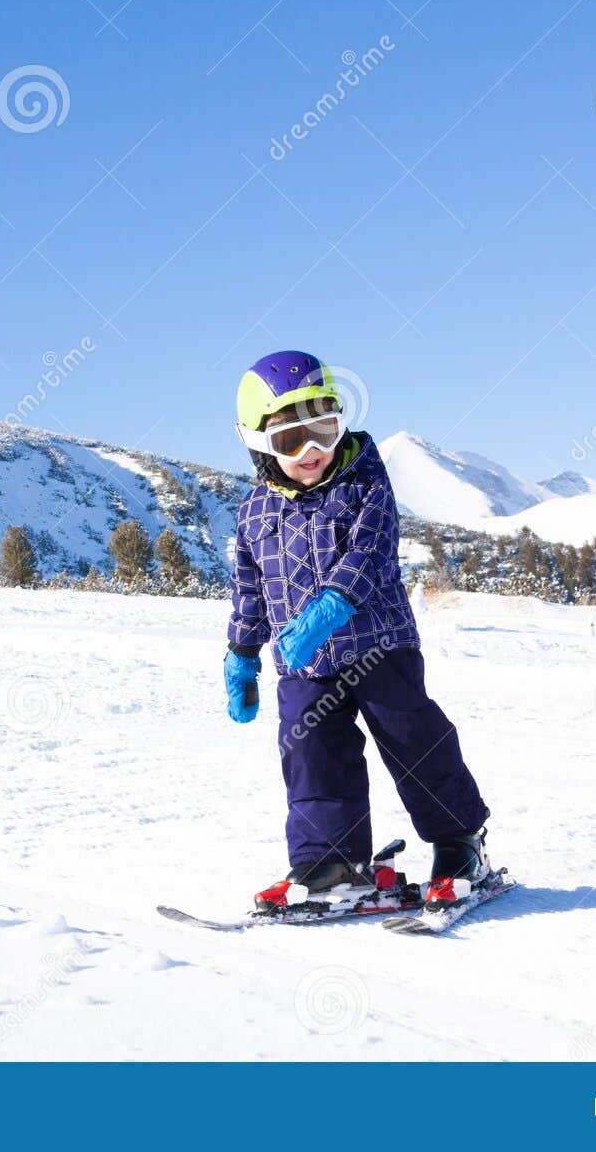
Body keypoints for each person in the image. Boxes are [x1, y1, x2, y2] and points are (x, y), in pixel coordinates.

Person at [222, 349, 494, 913]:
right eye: (291, 440)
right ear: (255, 442)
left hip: (380, 645)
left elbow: (371, 551)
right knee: (311, 752)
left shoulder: (365, 478)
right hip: (304, 665)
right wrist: (242, 652)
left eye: (323, 428)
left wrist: (331, 606)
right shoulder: (252, 511)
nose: (312, 450)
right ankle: (331, 864)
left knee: (414, 739)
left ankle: (461, 843)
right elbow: (249, 588)